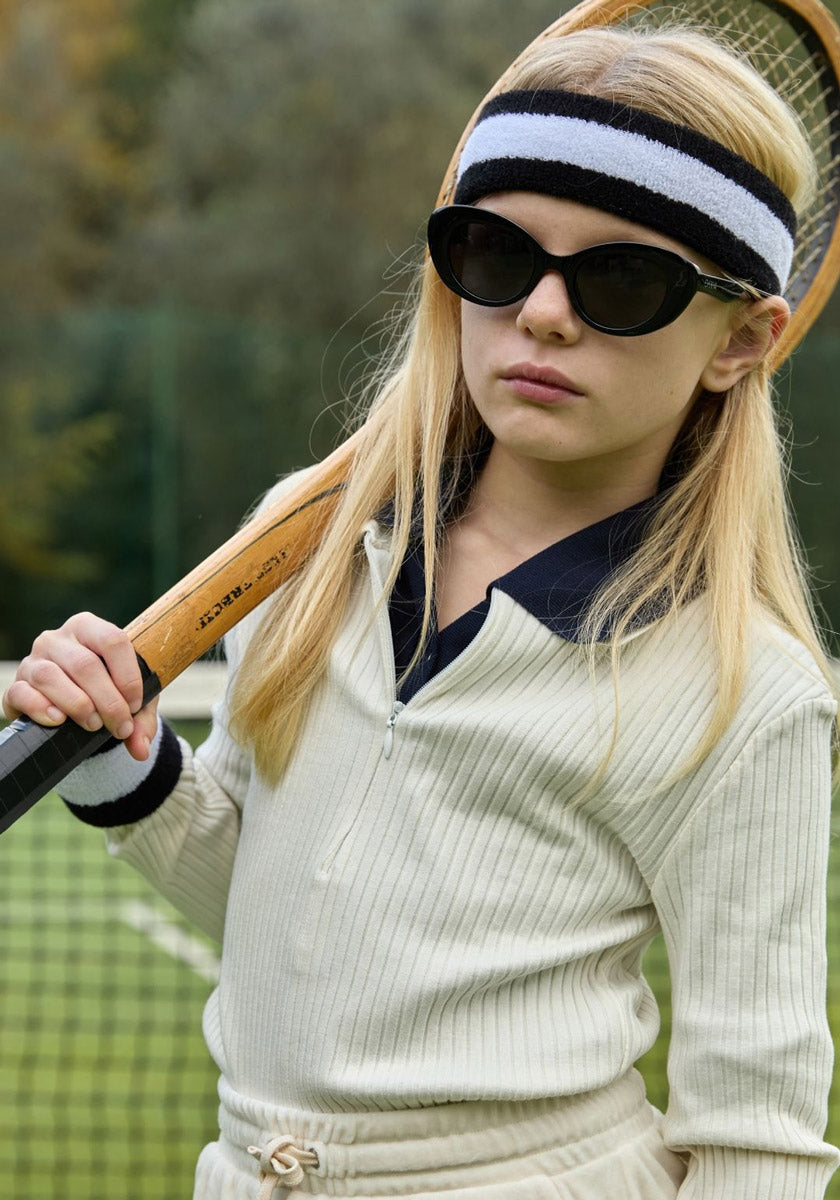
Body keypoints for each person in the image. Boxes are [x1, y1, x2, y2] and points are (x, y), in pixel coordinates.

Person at [4, 21, 840, 1200]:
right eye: (496, 255)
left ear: (744, 337)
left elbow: (760, 1140)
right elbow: (276, 907)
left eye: (622, 280)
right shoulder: (312, 546)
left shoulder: (747, 693)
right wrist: (126, 769)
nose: (544, 313)